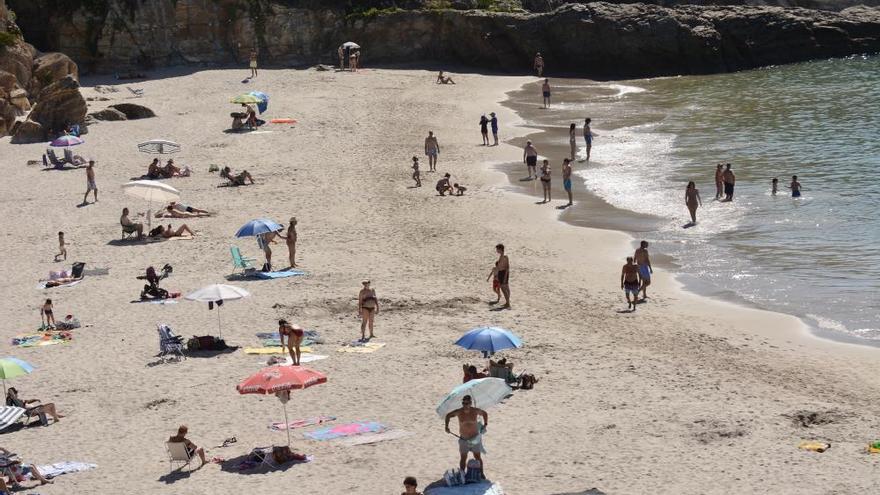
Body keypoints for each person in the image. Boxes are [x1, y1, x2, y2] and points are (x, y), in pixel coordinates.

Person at [444, 395, 488, 473]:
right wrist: (446, 427)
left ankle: (481, 473)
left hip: (475, 438)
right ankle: (462, 473)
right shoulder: (459, 412)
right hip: (463, 438)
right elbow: (448, 415)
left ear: (470, 403)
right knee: (463, 457)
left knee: (477, 457)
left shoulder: (475, 411)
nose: (465, 405)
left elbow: (484, 413)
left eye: (467, 403)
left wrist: (485, 424)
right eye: (463, 403)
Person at [494, 244, 510, 309]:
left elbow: (507, 267)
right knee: (505, 287)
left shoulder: (504, 257)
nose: (496, 250)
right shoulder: (502, 256)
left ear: (500, 249)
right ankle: (507, 302)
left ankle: (508, 303)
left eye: (497, 249)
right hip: (502, 273)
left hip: (503, 273)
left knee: (504, 288)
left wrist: (505, 276)